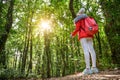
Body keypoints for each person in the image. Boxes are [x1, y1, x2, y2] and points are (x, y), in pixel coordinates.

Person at [71, 8, 99, 75]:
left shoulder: (79, 19)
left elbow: (77, 29)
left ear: (79, 13)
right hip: (90, 35)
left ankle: (88, 69)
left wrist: (72, 34)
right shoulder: (88, 18)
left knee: (85, 50)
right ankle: (94, 68)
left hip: (83, 36)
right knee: (92, 50)